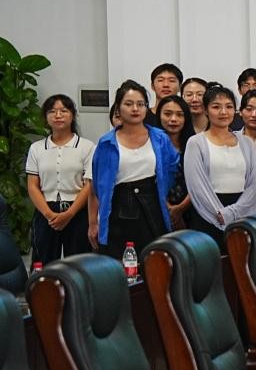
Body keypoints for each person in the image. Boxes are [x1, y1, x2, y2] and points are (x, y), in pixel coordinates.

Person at [87, 80, 180, 259]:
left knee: (155, 261)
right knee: (119, 263)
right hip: (118, 207)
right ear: (118, 108)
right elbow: (96, 186)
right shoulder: (106, 143)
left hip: (153, 204)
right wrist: (93, 223)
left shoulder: (160, 138)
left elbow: (171, 171)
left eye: (140, 104)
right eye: (128, 104)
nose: (135, 109)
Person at [183, 85, 256, 250]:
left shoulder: (247, 143)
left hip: (242, 214)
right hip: (207, 215)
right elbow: (197, 186)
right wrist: (219, 214)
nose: (223, 112)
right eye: (216, 107)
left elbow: (254, 185)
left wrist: (234, 212)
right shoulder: (196, 143)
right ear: (206, 110)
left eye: (229, 106)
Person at [26, 94, 95, 264]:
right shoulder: (36, 148)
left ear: (73, 115)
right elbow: (33, 186)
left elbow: (89, 185)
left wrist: (69, 213)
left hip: (78, 211)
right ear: (46, 117)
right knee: (43, 263)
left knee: (80, 264)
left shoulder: (87, 147)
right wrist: (49, 214)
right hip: (46, 211)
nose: (58, 115)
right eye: (52, 111)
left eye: (63, 111)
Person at [152, 94, 194, 229]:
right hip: (156, 209)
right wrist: (169, 209)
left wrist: (180, 209)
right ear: (159, 115)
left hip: (192, 209)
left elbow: (200, 182)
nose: (173, 119)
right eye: (167, 114)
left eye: (179, 115)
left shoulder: (195, 144)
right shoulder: (150, 145)